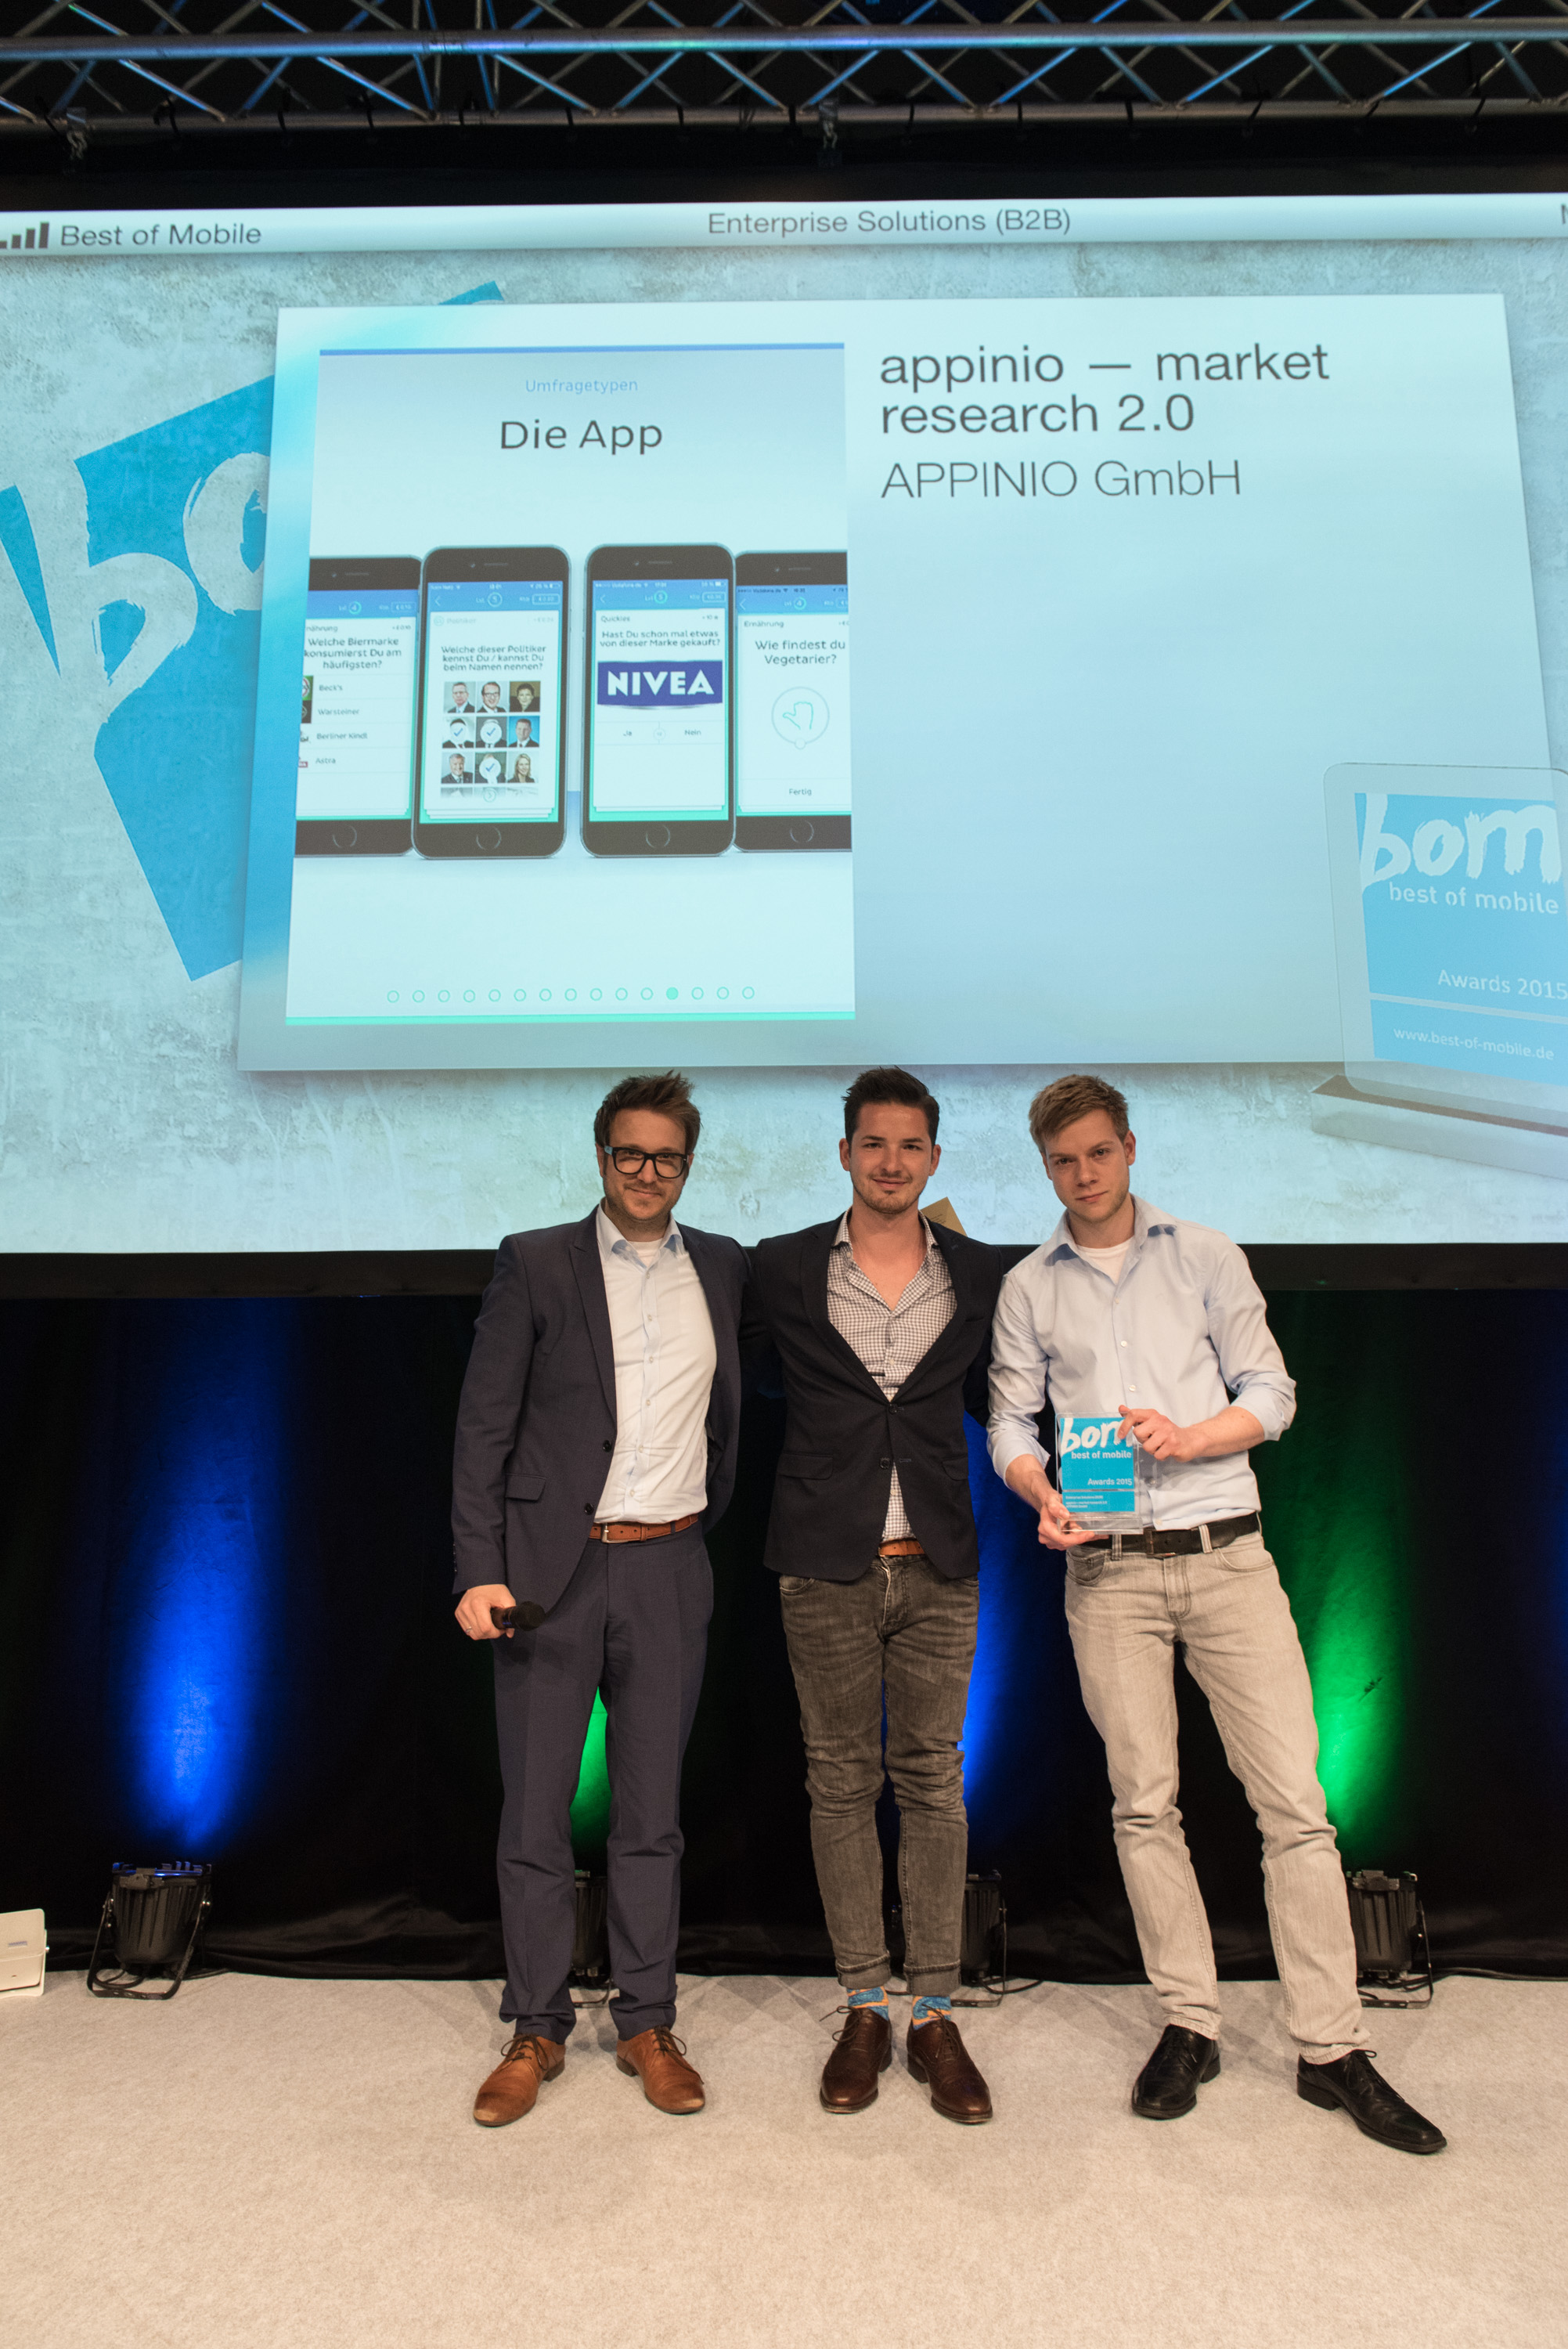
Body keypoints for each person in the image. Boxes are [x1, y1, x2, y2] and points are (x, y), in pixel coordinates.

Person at [986, 1073, 1446, 2156]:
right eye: (1062, 1161)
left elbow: (1273, 1392)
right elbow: (1010, 1420)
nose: (1083, 1174)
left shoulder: (1205, 1254)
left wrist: (1193, 1438)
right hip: (1106, 1572)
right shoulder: (1027, 1287)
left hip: (1228, 1555)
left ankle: (1330, 2046)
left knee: (1295, 1805)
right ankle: (1189, 2022)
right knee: (1144, 1806)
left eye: (1098, 1153)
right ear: (1045, 1167)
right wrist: (1038, 1491)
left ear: (1129, 1147)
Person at [452, 1073, 748, 2127]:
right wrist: (477, 1566)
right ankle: (535, 2027)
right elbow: (484, 1427)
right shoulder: (536, 1261)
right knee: (535, 1815)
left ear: (687, 1166)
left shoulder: (724, 1266)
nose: (646, 1173)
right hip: (549, 1575)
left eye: (666, 1157)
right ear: (601, 1157)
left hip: (670, 1568)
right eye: (630, 1154)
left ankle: (645, 2022)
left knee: (652, 1818)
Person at [747, 1068, 1002, 2124]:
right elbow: (734, 1379)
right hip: (824, 1561)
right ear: (845, 1153)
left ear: (934, 1158)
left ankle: (934, 2011)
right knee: (841, 1783)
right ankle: (863, 2004)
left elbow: (1012, 1394)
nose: (891, 1161)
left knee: (934, 1780)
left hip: (940, 1561)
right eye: (873, 1143)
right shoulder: (780, 1266)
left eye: (910, 1145)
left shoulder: (981, 1271)